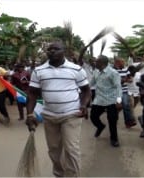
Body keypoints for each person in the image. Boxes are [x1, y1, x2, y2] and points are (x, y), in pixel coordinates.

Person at [26, 41, 91, 177]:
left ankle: (73, 176)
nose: (52, 52)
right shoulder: (39, 71)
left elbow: (86, 90)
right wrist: (30, 114)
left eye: (56, 49)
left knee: (71, 149)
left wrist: (84, 105)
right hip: (49, 116)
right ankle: (59, 174)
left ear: (64, 51)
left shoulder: (76, 69)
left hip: (71, 115)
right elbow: (32, 93)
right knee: (54, 150)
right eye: (49, 50)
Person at [90, 55, 122, 147]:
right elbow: (91, 83)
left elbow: (118, 87)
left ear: (102, 63)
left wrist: (119, 101)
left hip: (111, 100)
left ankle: (114, 139)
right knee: (93, 117)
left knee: (112, 120)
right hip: (99, 100)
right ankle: (100, 126)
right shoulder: (96, 72)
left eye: (97, 62)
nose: (95, 63)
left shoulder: (113, 73)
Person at [114, 58, 136, 128]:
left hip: (124, 90)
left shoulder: (126, 70)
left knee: (126, 105)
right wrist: (124, 80)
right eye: (122, 62)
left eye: (123, 62)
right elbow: (115, 82)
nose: (123, 63)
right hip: (115, 91)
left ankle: (129, 122)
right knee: (116, 107)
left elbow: (130, 79)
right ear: (117, 63)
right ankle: (114, 119)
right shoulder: (113, 71)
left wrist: (126, 80)